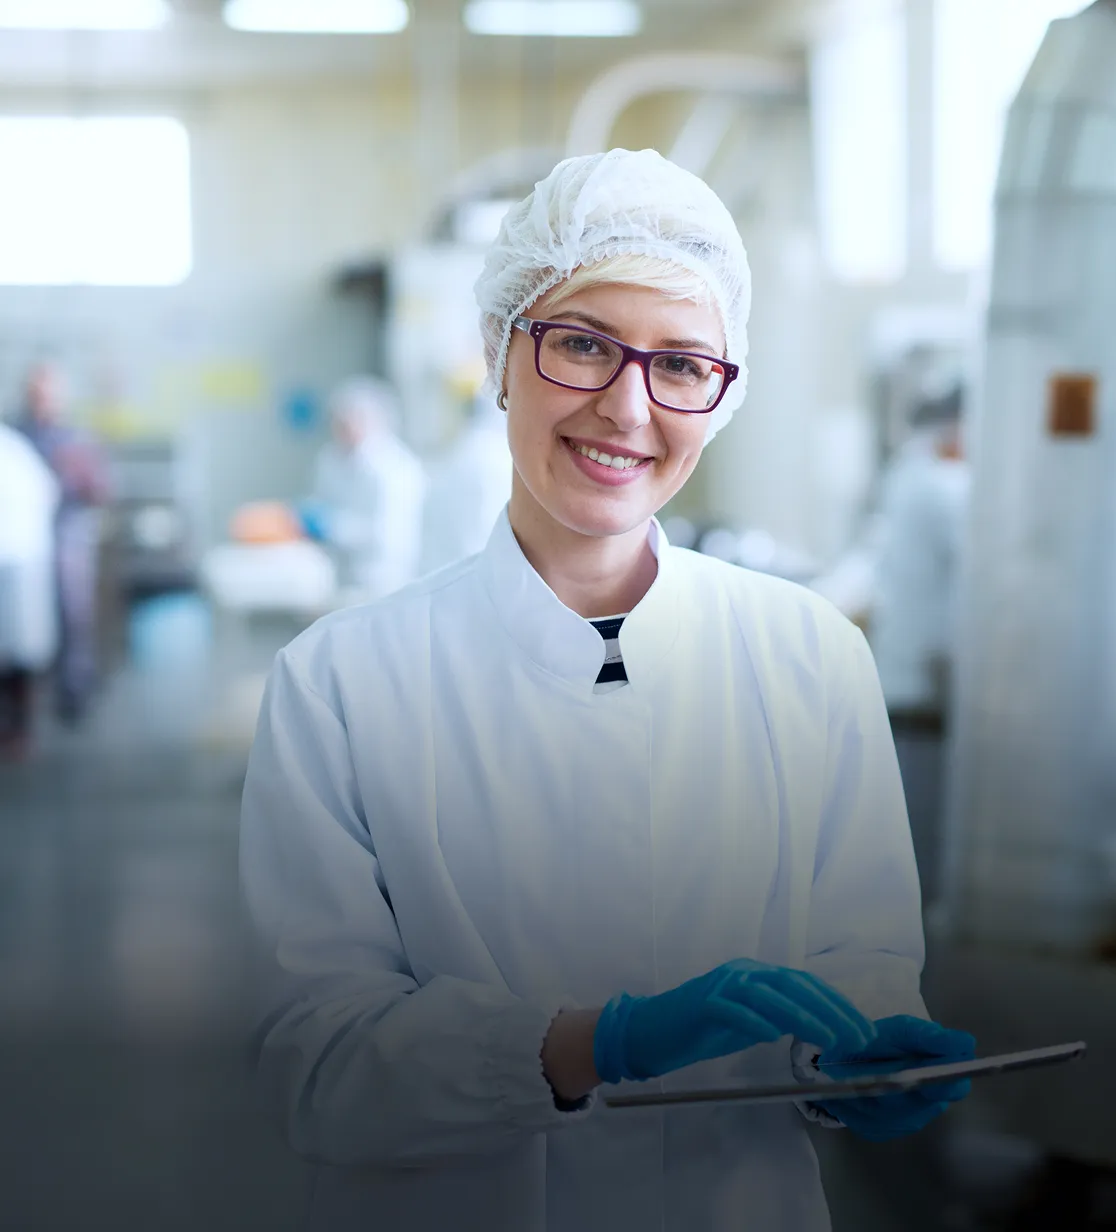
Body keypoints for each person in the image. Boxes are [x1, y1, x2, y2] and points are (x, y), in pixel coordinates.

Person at [240, 148, 974, 1232]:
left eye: (680, 363)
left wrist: (859, 1055)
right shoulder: (341, 682)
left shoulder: (810, 656)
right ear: (498, 353)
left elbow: (860, 966)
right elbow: (315, 1068)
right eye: (581, 344)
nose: (627, 408)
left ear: (719, 393)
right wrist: (588, 1043)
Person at [867, 383, 971, 904]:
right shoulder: (944, 487)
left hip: (903, 672)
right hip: (927, 677)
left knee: (907, 804)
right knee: (922, 814)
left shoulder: (907, 476)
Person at [15, 362, 111, 725]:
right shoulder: (17, 435)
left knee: (74, 615)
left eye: (48, 395)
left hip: (67, 535)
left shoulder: (77, 439)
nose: (42, 402)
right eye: (36, 394)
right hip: (23, 540)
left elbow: (101, 488)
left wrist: (73, 478)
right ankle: (22, 704)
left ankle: (74, 692)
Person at [298, 376, 428, 603]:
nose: (340, 429)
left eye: (347, 422)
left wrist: (332, 527)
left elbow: (387, 534)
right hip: (339, 574)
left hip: (383, 577)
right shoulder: (332, 458)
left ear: (371, 420)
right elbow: (321, 500)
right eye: (337, 422)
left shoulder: (394, 467)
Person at [0, 421, 60, 760]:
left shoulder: (10, 449)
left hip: (17, 560)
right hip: (21, 559)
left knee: (17, 658)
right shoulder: (16, 446)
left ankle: (19, 732)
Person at [418, 390, 513, 574]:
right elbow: (486, 528)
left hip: (443, 570)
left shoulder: (458, 451)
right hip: (475, 572)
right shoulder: (495, 457)